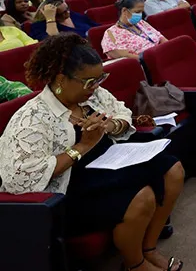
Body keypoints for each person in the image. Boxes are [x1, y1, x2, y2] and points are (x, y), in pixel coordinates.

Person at [0, 34, 185, 271]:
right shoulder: (32, 119)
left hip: (106, 165)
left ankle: (149, 248)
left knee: (172, 169)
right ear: (60, 79)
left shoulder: (92, 93)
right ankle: (135, 263)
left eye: (100, 79)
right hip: (67, 187)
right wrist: (82, 146)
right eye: (90, 82)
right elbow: (21, 180)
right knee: (142, 196)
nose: (96, 87)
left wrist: (110, 126)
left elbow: (122, 112)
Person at [101, 0, 167, 60]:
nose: (140, 15)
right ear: (124, 11)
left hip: (161, 54)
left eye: (141, 12)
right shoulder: (111, 33)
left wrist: (168, 49)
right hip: (147, 63)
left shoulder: (141, 23)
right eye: (137, 12)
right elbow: (124, 56)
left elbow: (160, 37)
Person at [30, 0, 97, 40]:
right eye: (60, 14)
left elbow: (96, 27)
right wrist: (50, 19)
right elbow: (54, 40)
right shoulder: (39, 26)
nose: (67, 13)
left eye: (67, 9)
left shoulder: (73, 15)